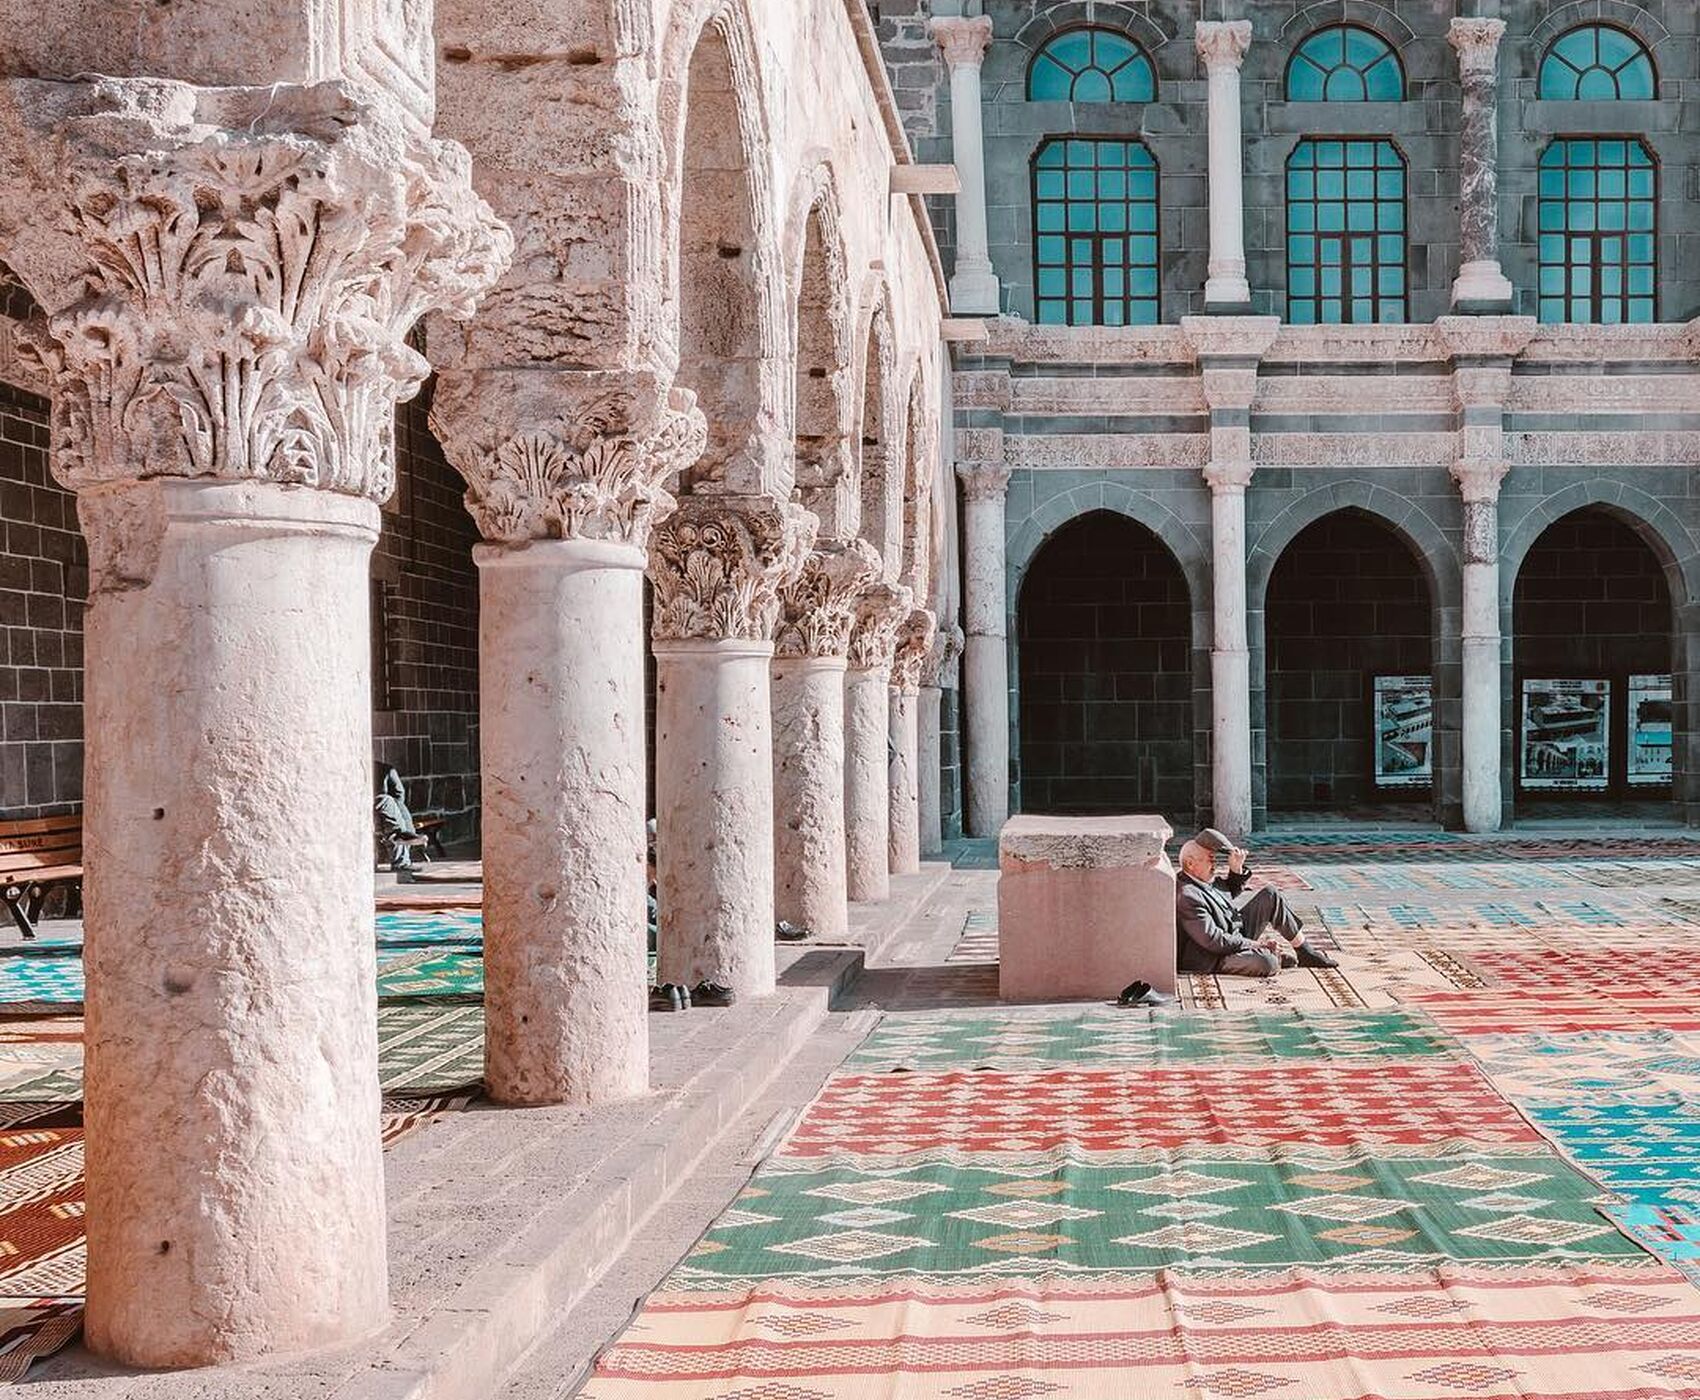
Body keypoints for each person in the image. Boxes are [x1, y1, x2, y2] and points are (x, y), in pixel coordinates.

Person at [1175, 828, 1338, 977]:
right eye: (1210, 859)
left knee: (1270, 894)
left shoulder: (1202, 878)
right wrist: (1256, 944)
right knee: (1267, 963)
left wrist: (1236, 869)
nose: (1215, 864)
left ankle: (1304, 951)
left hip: (1235, 934)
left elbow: (1227, 893)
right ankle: (1272, 957)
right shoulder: (1188, 896)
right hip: (1215, 956)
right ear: (1190, 864)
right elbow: (1214, 940)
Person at [374, 762, 429, 884]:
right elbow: (398, 792)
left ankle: (402, 836)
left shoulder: (383, 769)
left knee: (395, 806)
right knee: (388, 801)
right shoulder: (383, 769)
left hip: (381, 813)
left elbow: (399, 794)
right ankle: (400, 836)